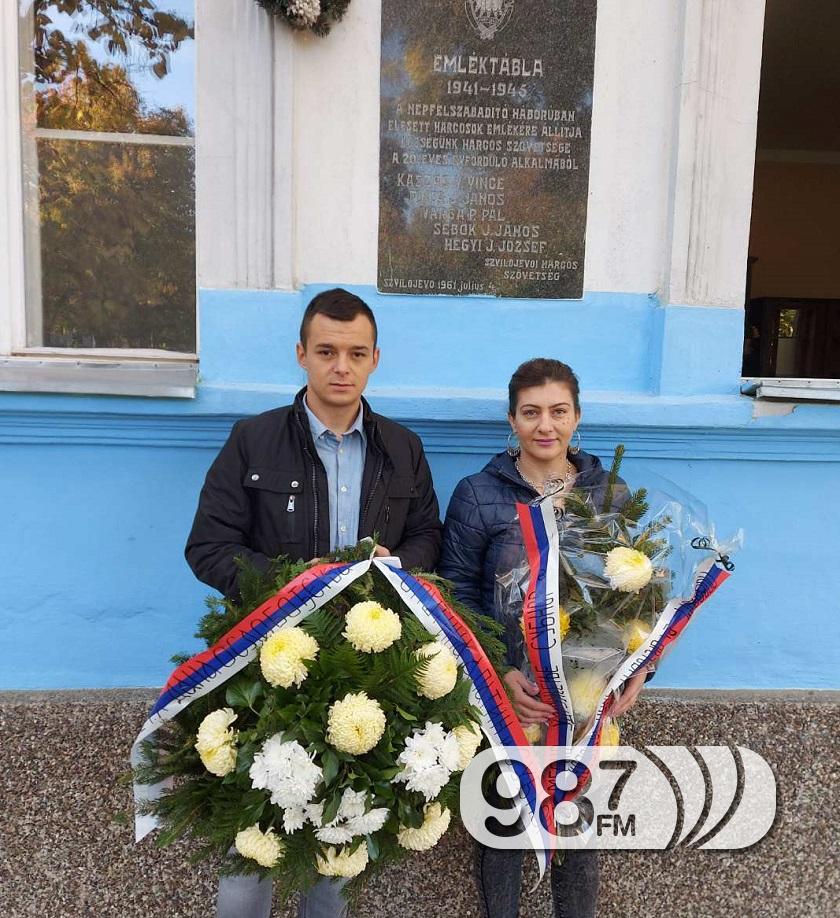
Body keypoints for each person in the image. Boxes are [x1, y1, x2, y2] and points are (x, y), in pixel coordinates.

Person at [185, 287, 442, 918]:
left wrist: (397, 566)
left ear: (375, 358)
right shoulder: (253, 439)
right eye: (326, 351)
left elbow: (427, 535)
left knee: (338, 842)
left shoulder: (402, 447)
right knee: (252, 845)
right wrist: (291, 583)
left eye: (356, 353)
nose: (340, 367)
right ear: (301, 354)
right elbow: (209, 546)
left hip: (367, 668)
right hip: (267, 662)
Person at [438, 357, 648, 918]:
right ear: (512, 420)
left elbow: (638, 595)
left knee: (577, 830)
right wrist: (499, 673)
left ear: (577, 416)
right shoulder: (478, 494)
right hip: (512, 696)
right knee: (504, 826)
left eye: (558, 411)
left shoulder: (608, 493)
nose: (545, 425)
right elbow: (456, 593)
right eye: (531, 413)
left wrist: (636, 671)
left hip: (585, 698)